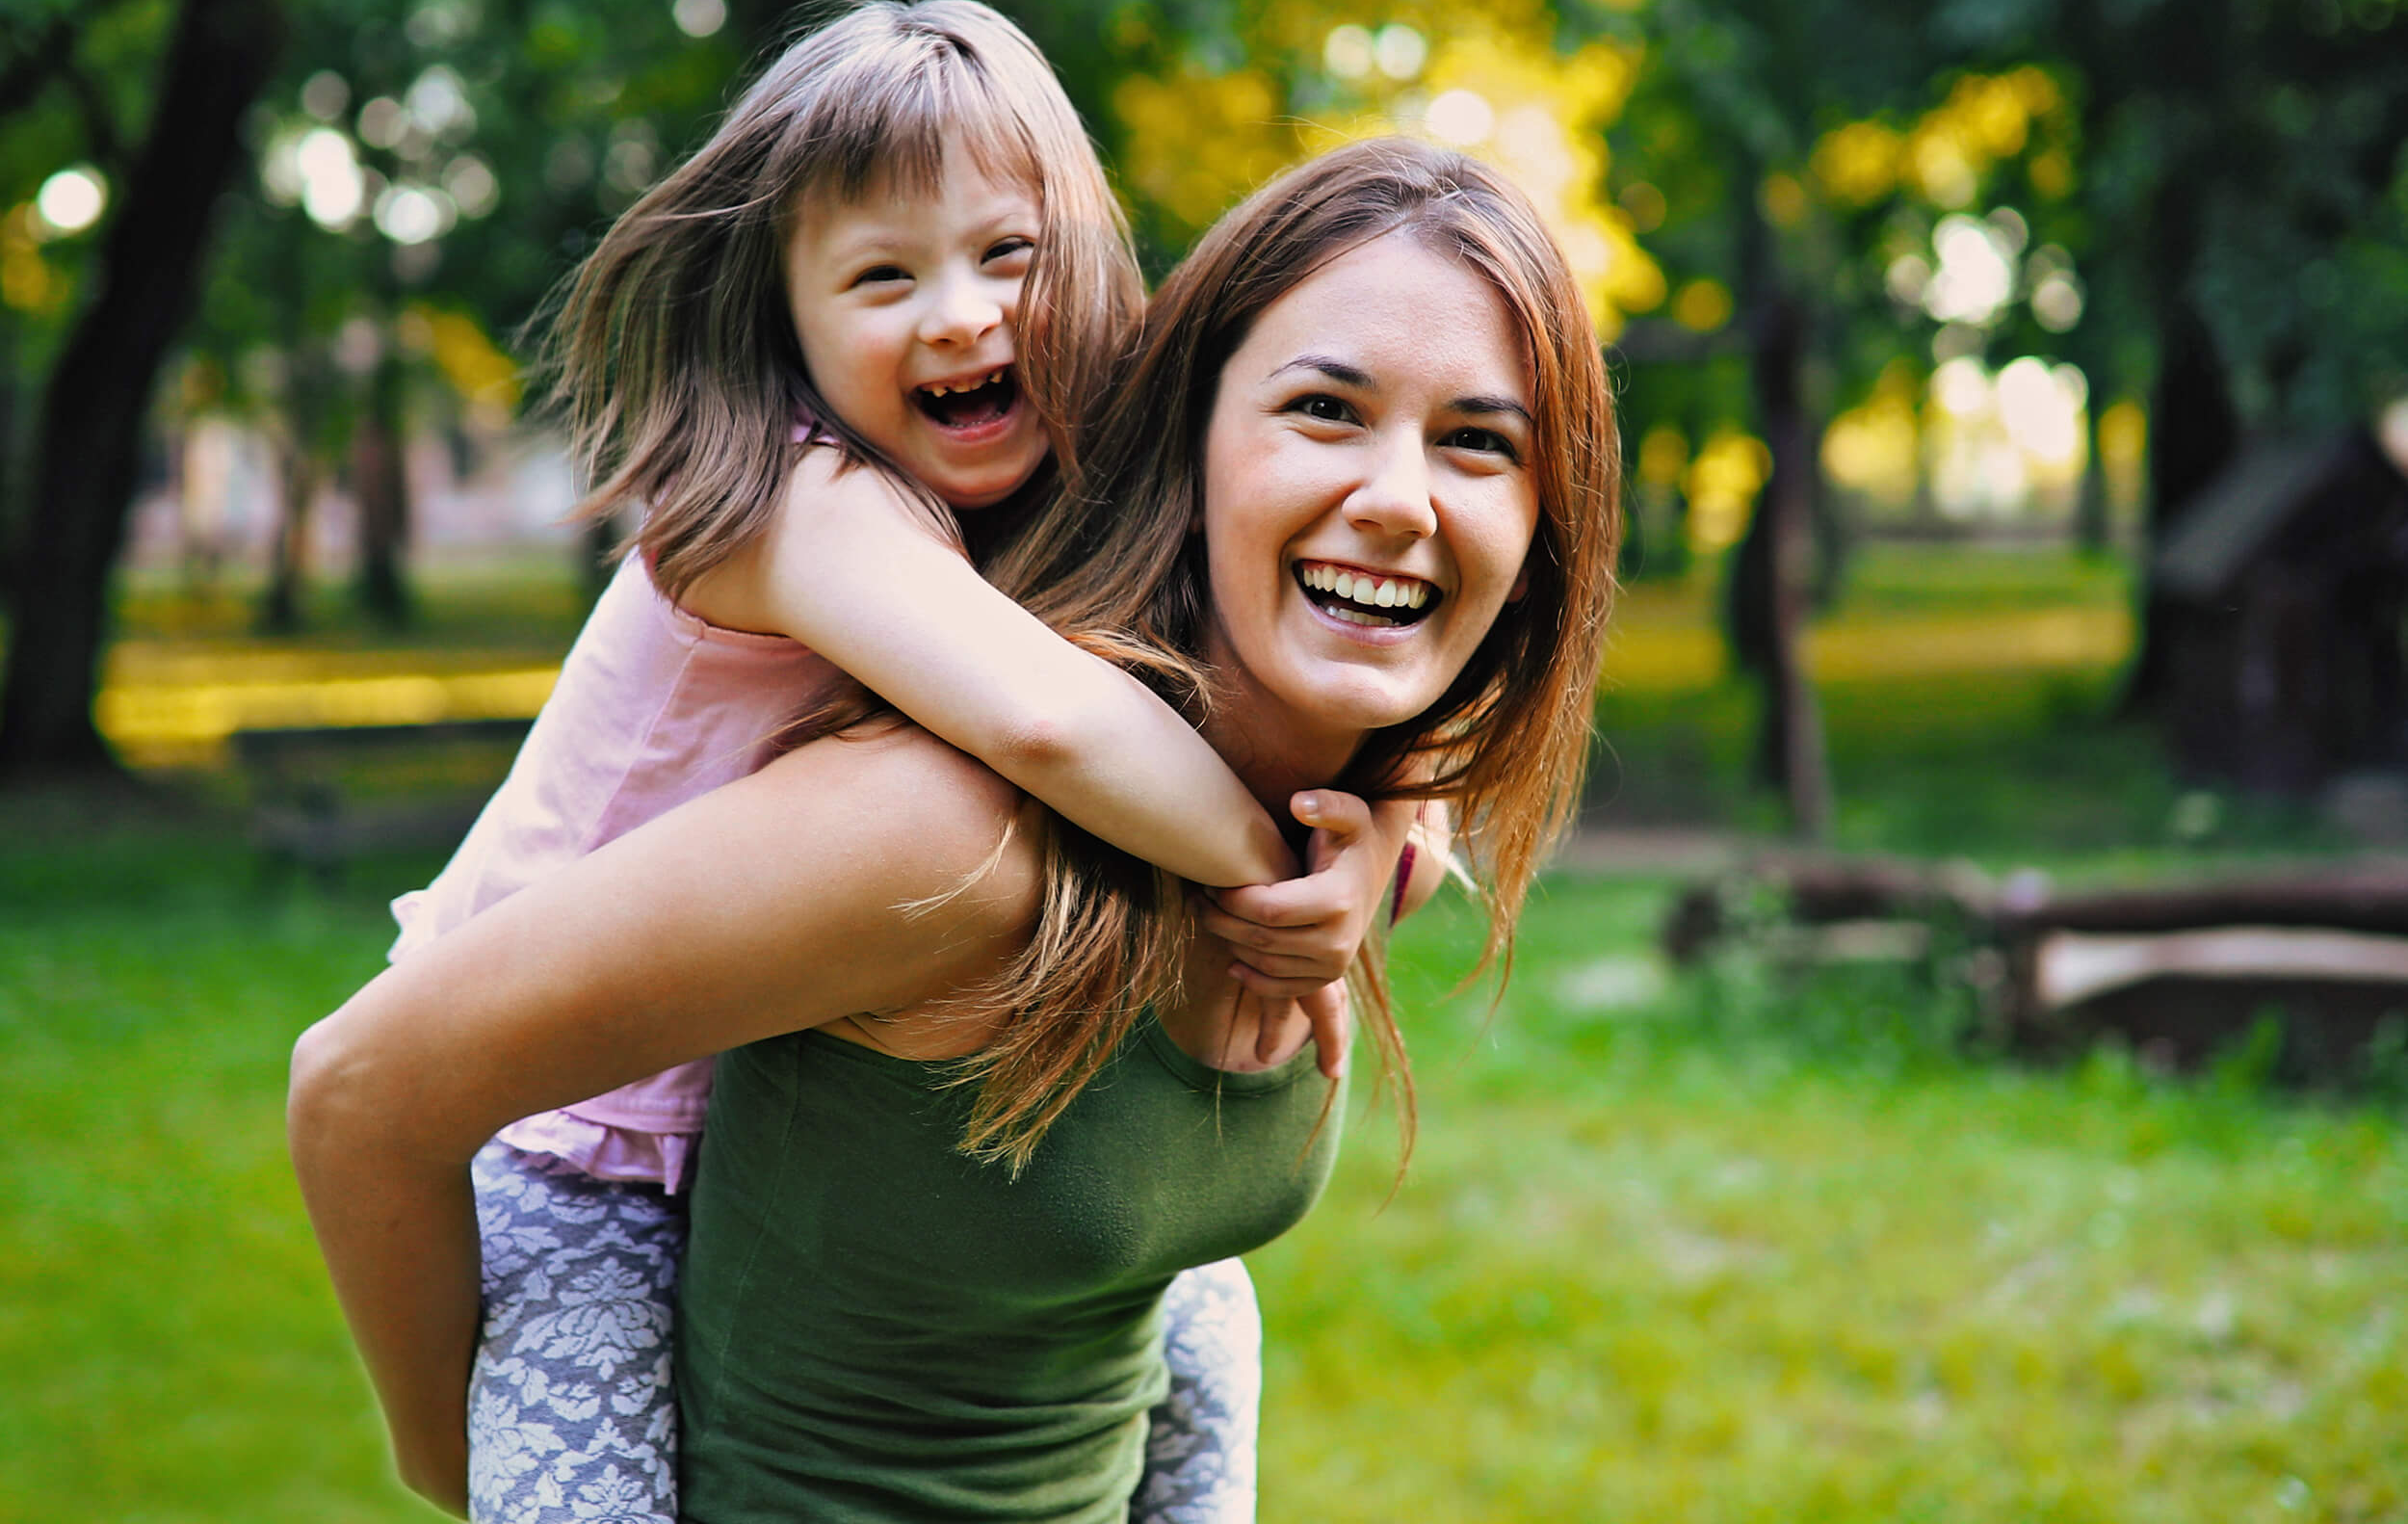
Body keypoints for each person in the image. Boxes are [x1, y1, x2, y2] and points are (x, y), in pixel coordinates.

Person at [290, 136, 1619, 1522]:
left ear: (1543, 524)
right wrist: (446, 1453)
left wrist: (1381, 835)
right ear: (1187, 433)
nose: (1401, 500)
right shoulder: (953, 842)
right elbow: (360, 1092)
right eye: (1326, 410)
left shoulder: (1351, 845)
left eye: (1478, 441)